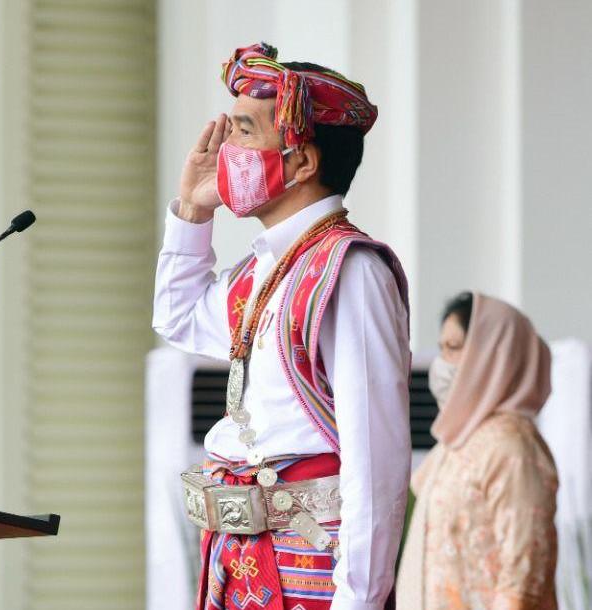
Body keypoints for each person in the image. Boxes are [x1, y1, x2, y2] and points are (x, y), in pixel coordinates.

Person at [154, 42, 411, 610]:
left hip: (308, 565)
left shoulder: (350, 270)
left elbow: (377, 462)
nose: (226, 149)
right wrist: (194, 211)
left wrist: (359, 601)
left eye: (245, 132)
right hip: (242, 555)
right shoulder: (264, 268)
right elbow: (178, 319)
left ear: (301, 161)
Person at [397, 292, 558, 609]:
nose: (442, 364)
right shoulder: (456, 441)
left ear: (496, 356)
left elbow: (522, 574)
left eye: (454, 349)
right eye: (442, 349)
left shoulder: (513, 449)